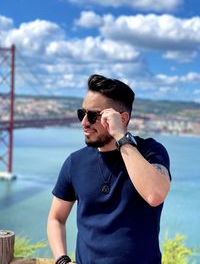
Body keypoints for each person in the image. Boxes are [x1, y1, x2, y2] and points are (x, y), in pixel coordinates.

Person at [47, 74, 171, 264]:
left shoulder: (150, 152)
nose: (84, 122)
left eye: (94, 116)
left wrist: (120, 136)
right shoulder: (75, 162)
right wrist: (62, 260)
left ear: (122, 119)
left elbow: (154, 195)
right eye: (82, 113)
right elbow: (56, 219)